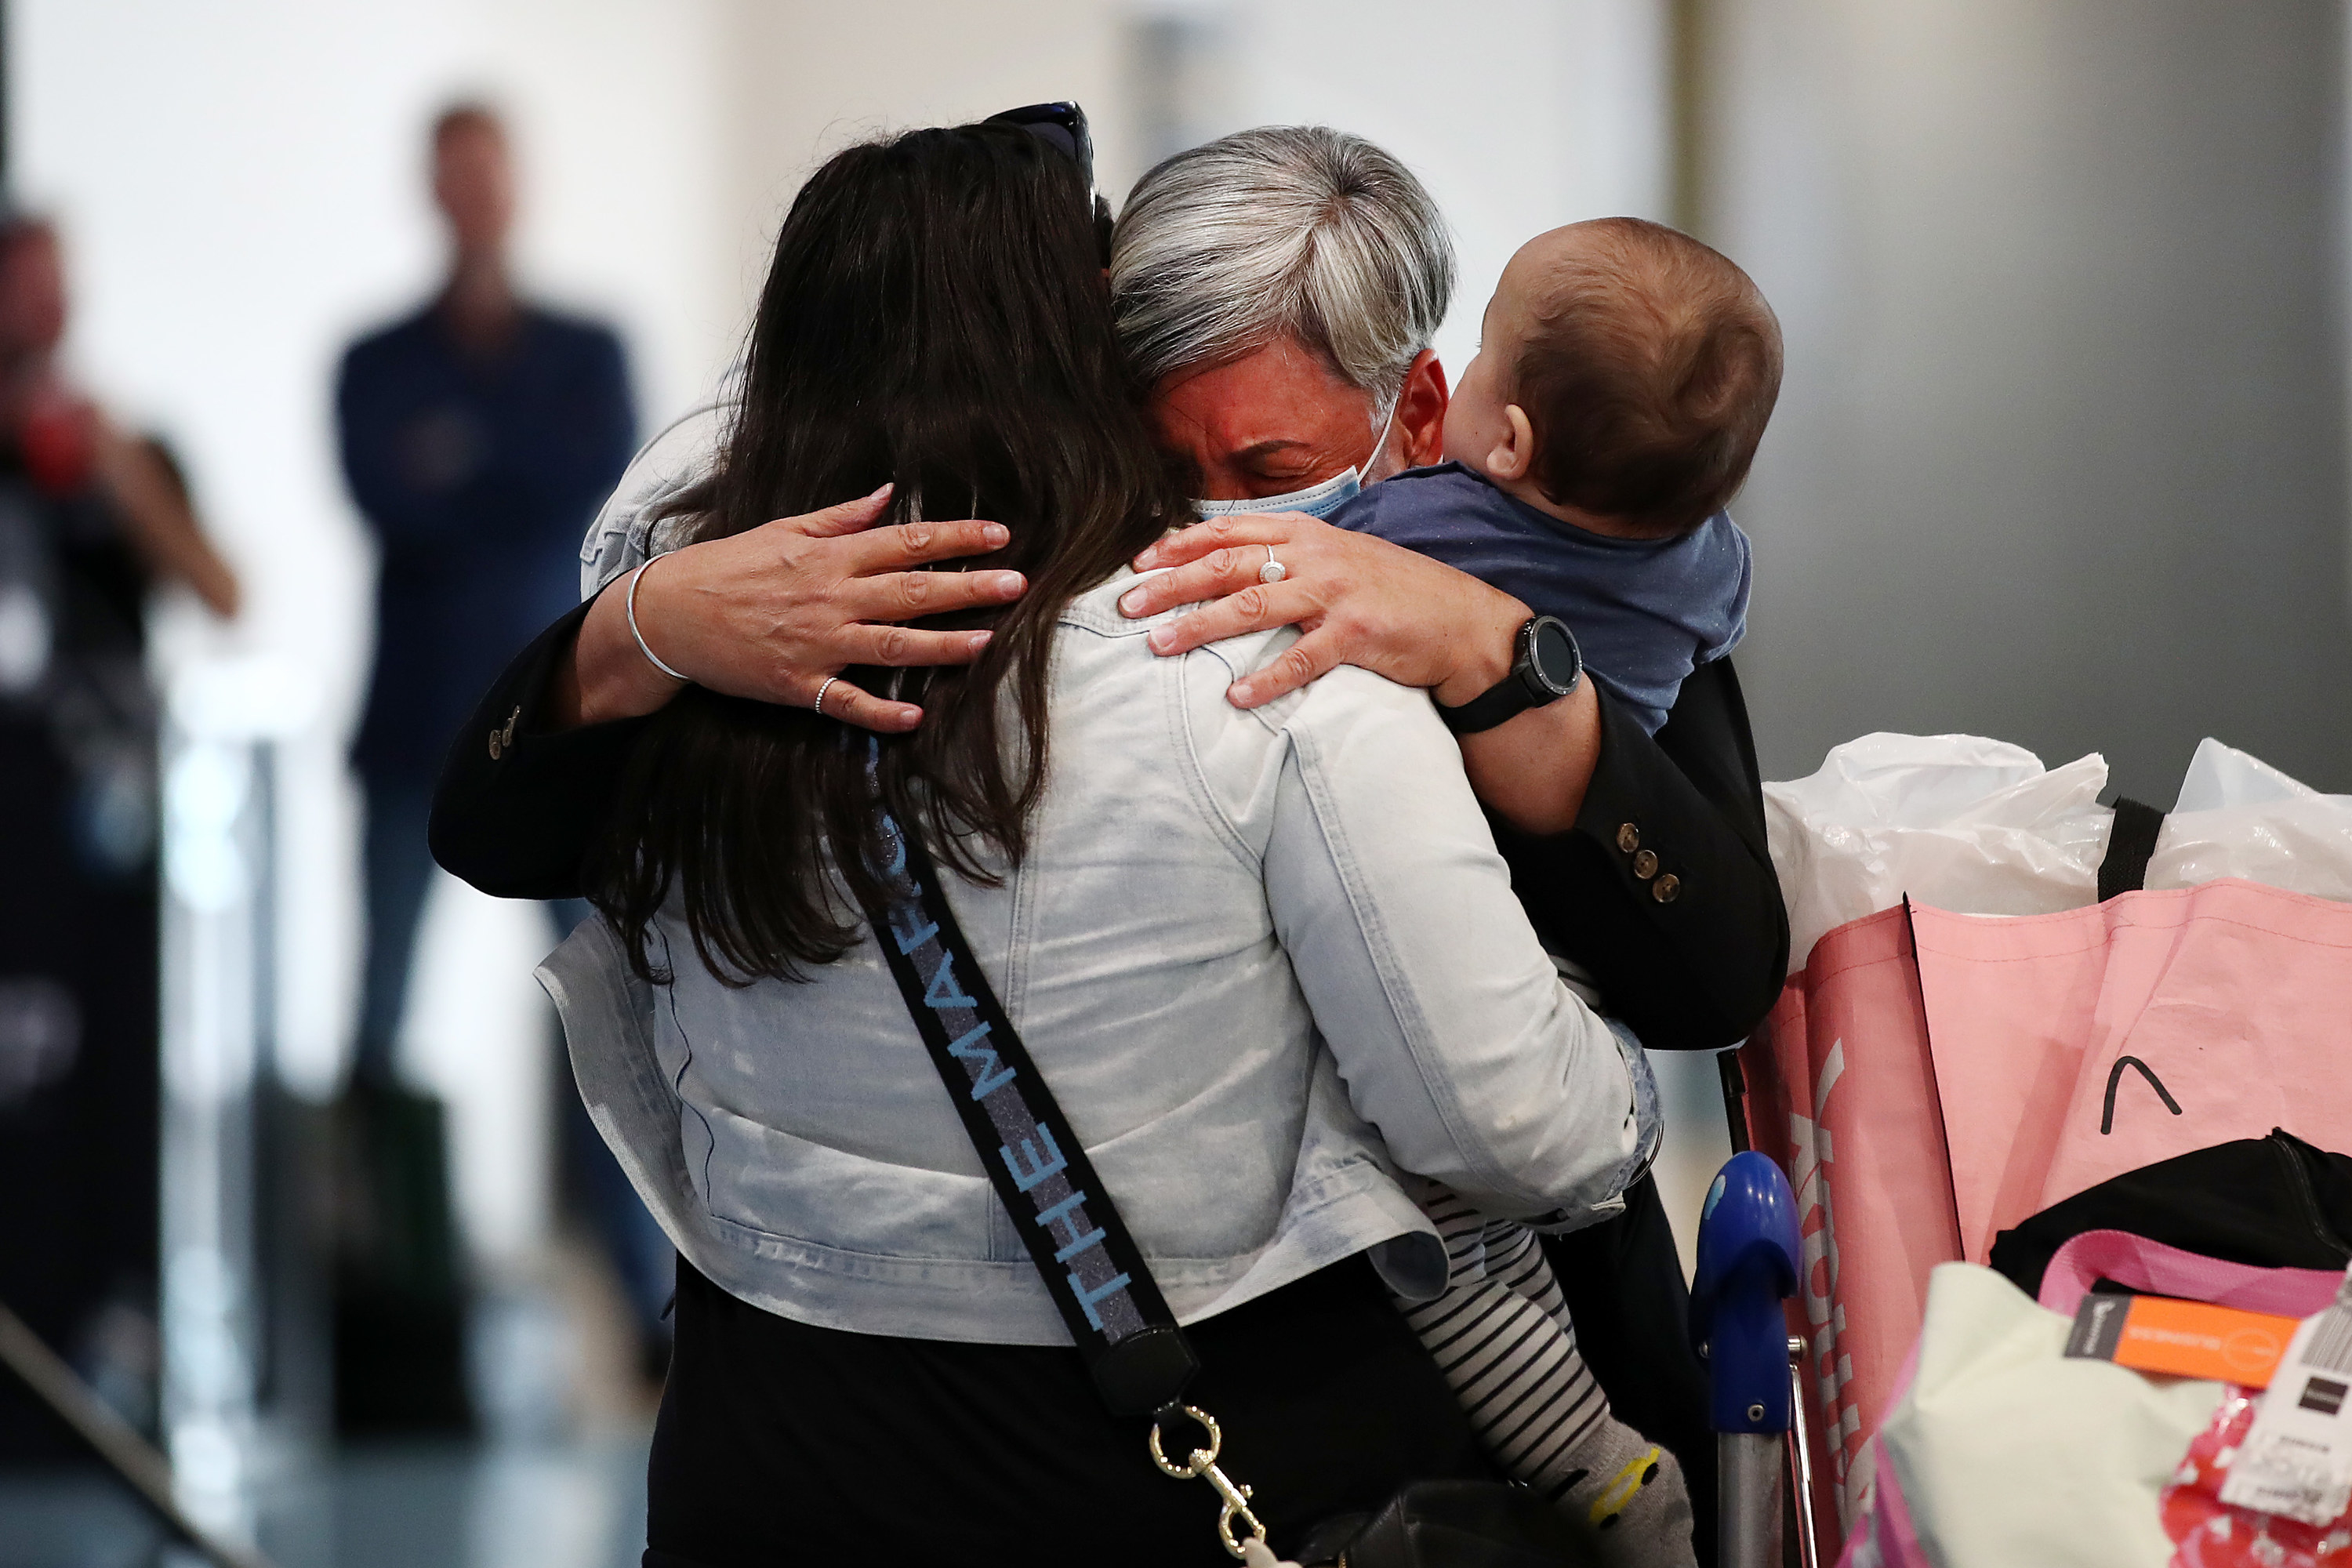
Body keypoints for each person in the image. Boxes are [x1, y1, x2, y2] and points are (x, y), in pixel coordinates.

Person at [430, 123, 1789, 1555]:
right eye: (1161, 461)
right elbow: (499, 818)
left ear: (1422, 409)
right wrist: (652, 620)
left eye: (1269, 466)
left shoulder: (1591, 568)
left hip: (1475, 1332)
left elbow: (1717, 964)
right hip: (1173, 1379)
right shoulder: (1129, 645)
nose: (1210, 522)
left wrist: (1500, 655)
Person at [332, 103, 661, 1418]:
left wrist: (462, 460)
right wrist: (498, 472)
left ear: (513, 187)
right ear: (432, 187)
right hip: (413, 732)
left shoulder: (588, 347)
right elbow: (388, 494)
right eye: (451, 172)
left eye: (488, 171)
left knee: (606, 1017)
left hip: (551, 730)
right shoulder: (374, 358)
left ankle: (646, 1308)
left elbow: (591, 493)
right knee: (375, 1028)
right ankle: (368, 1320)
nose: (471, 194)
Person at [0, 215, 240, 1460]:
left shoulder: (124, 447)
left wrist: (114, 472)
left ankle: (112, 1347)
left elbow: (224, 592)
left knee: (108, 1098)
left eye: (54, 285)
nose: (39, 309)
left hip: (102, 842)